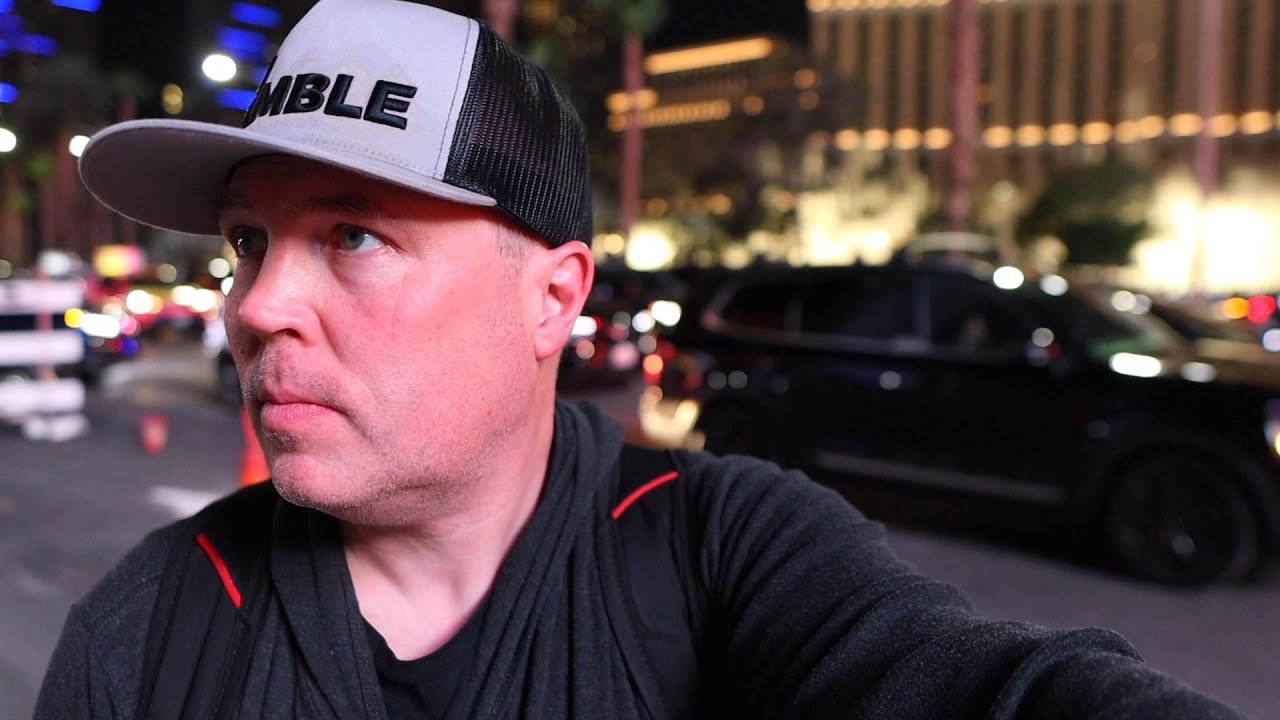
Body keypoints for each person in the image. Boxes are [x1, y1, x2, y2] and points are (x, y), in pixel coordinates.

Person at [37, 1, 1244, 718]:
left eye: (353, 235)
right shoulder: (146, 632)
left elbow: (985, 691)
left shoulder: (721, 550)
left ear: (553, 297)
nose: (257, 306)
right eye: (249, 241)